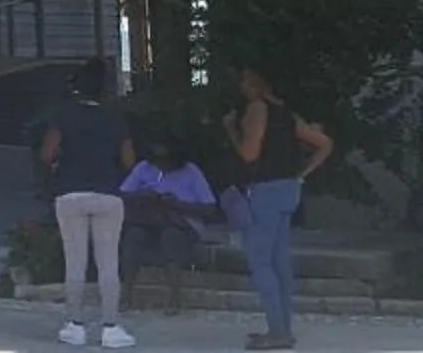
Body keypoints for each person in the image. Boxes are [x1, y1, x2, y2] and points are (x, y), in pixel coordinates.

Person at [225, 67, 333, 351]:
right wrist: (302, 173)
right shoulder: (287, 114)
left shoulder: (256, 110)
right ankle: (283, 327)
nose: (242, 88)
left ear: (257, 85)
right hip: (289, 188)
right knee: (280, 262)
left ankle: (277, 332)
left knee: (260, 261)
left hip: (264, 190)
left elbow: (249, 154)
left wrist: (232, 130)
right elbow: (324, 144)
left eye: (246, 82)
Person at [40, 58, 139, 348]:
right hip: (108, 192)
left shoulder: (64, 115)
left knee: (76, 262)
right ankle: (111, 327)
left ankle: (74, 325)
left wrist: (61, 163)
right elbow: (129, 161)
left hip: (70, 192)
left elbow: (47, 154)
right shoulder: (115, 118)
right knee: (108, 263)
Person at [119, 138, 219, 299]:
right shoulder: (144, 168)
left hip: (181, 223)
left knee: (171, 236)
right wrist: (141, 196)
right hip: (149, 220)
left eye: (166, 161)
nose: (161, 166)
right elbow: (122, 195)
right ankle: (126, 292)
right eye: (157, 161)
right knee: (133, 236)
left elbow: (209, 208)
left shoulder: (191, 171)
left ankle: (174, 296)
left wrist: (177, 204)